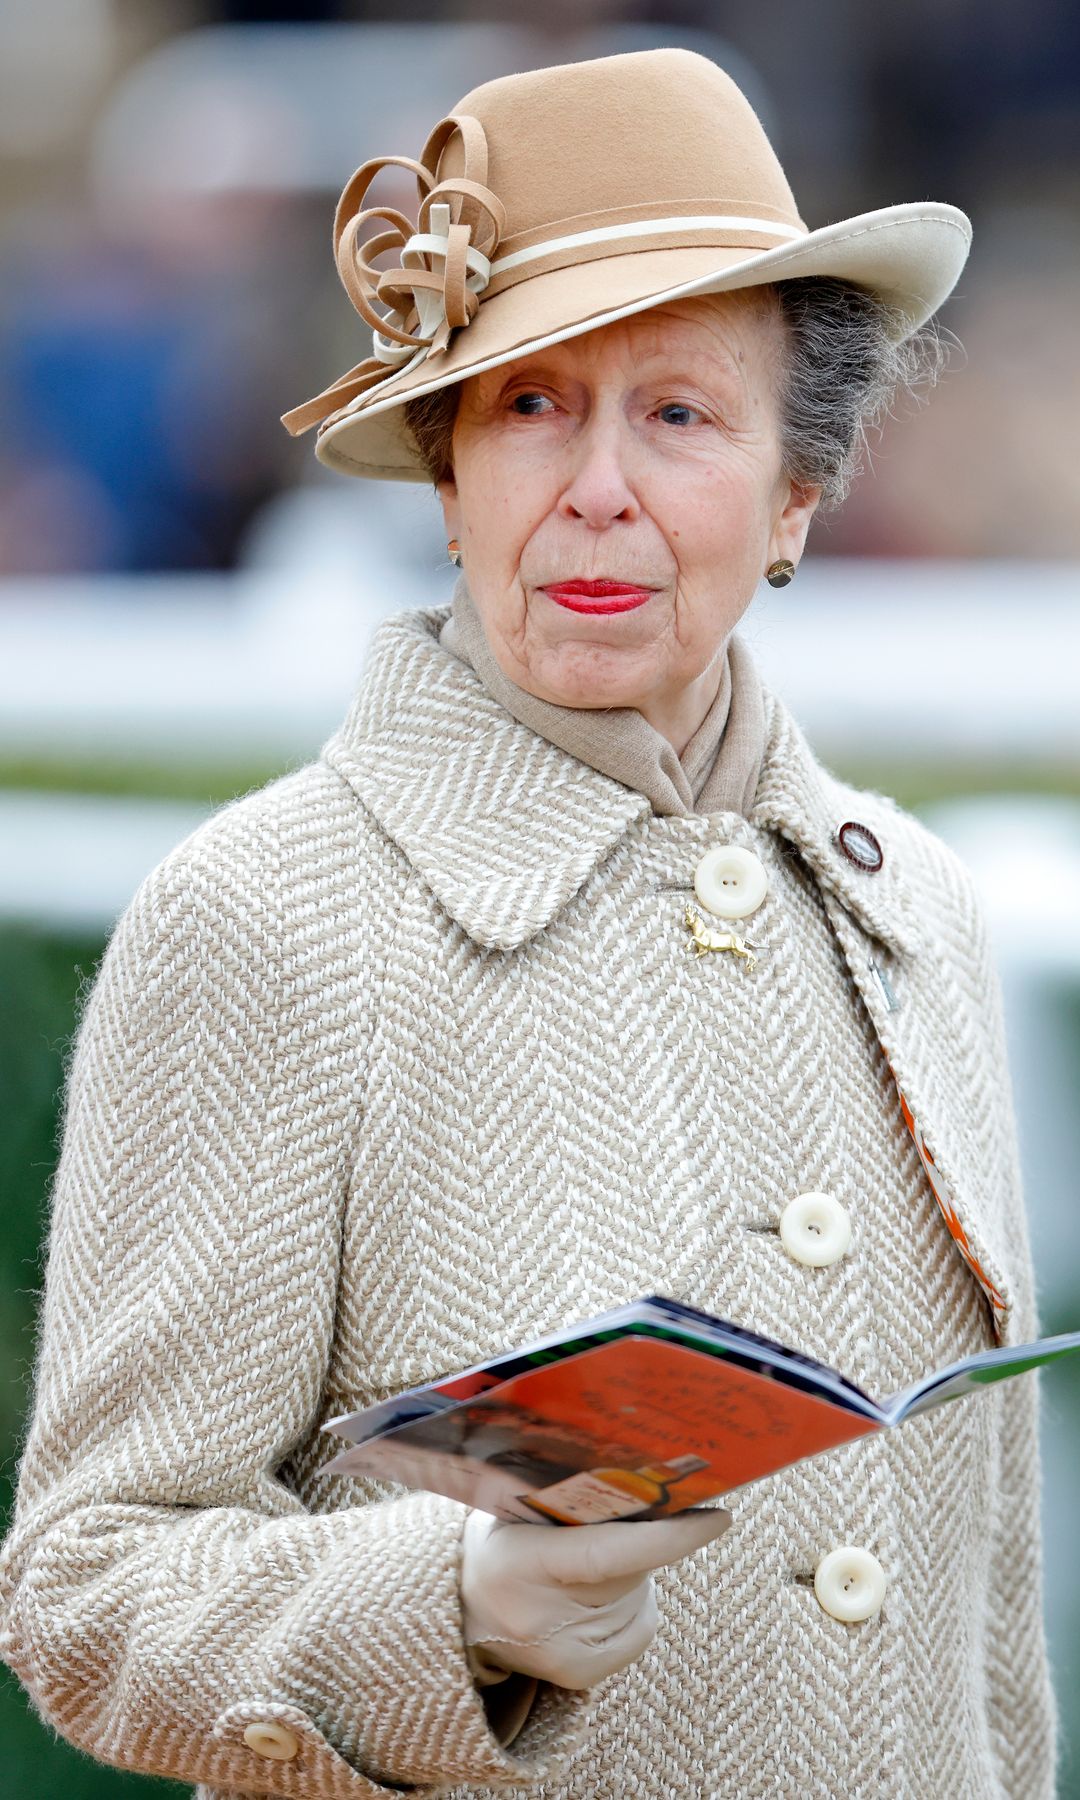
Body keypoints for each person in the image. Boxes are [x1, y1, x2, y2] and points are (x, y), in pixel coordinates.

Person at [0, 46, 1060, 1800]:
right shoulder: (262, 917)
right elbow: (85, 1586)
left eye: (678, 414)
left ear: (799, 495)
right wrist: (455, 1613)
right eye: (528, 407)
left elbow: (990, 1648)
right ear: (446, 476)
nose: (595, 488)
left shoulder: (913, 913)